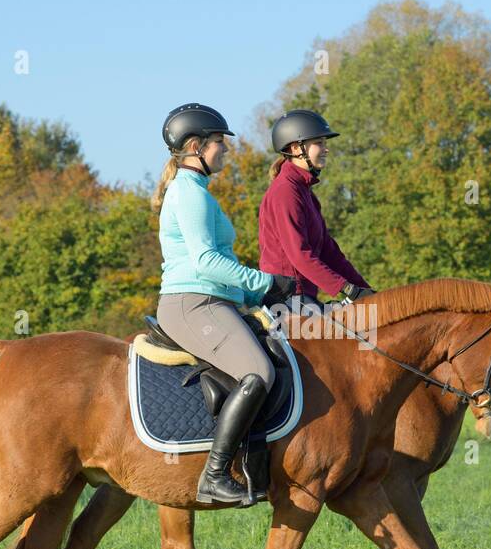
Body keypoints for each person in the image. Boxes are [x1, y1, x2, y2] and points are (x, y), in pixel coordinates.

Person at [152, 103, 294, 505]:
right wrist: (264, 280)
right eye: (220, 143)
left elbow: (220, 265)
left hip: (213, 300)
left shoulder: (197, 191)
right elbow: (206, 262)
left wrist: (257, 294)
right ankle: (214, 475)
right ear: (195, 146)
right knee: (258, 370)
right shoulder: (188, 192)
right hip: (192, 305)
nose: (226, 150)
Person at [258, 109, 374, 316]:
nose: (326, 149)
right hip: (286, 301)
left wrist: (366, 290)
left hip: (304, 299)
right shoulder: (285, 192)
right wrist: (347, 289)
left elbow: (330, 252)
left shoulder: (305, 192)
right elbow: (299, 255)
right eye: (319, 143)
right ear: (295, 149)